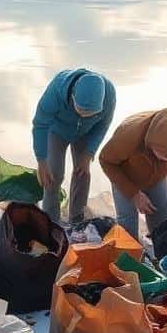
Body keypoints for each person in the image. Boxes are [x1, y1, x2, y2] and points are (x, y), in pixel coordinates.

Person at [32, 69, 115, 225]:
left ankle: (77, 220)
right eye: (81, 110)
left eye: (91, 113)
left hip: (86, 132)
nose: (84, 115)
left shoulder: (109, 94)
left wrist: (90, 152)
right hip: (57, 131)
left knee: (83, 173)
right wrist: (41, 160)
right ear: (73, 96)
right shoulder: (56, 90)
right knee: (53, 175)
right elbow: (40, 124)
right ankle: (51, 221)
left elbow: (103, 126)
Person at [99, 108, 167, 240]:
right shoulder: (129, 135)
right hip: (125, 174)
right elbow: (106, 161)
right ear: (151, 144)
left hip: (157, 177)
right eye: (164, 155)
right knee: (128, 224)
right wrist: (133, 194)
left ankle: (157, 257)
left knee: (161, 220)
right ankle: (130, 256)